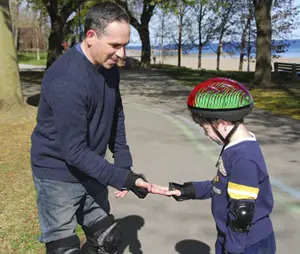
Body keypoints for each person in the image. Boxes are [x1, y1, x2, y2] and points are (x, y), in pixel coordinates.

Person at [31, 2, 151, 254]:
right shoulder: (68, 80)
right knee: (64, 249)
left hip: (91, 169)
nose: (121, 54)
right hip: (58, 175)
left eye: (125, 45)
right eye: (115, 45)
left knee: (108, 239)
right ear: (91, 37)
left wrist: (123, 163)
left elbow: (115, 114)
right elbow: (73, 151)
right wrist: (124, 179)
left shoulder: (108, 70)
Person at [151, 77, 276, 254]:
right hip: (232, 236)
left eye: (205, 128)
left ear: (222, 124)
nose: (205, 134)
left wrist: (232, 249)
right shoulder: (234, 147)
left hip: (247, 244)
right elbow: (221, 186)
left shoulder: (243, 159)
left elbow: (242, 214)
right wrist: (186, 190)